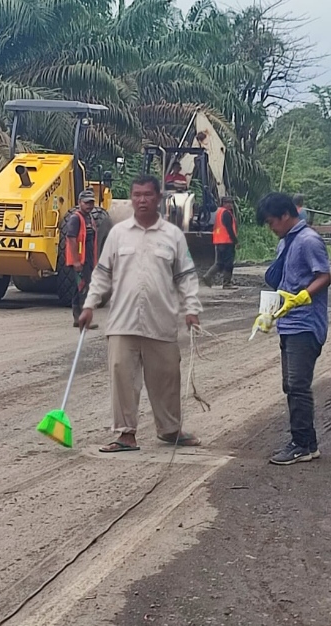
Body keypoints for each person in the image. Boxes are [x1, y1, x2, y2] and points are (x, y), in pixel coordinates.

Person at [78, 175, 202, 453]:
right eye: (137, 195)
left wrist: (192, 309)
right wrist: (89, 306)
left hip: (161, 321)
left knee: (167, 378)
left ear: (158, 198)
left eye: (147, 195)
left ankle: (170, 430)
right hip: (122, 321)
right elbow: (102, 273)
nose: (142, 200)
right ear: (131, 198)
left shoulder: (173, 236)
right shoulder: (118, 234)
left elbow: (186, 276)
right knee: (122, 377)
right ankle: (125, 435)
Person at [256, 192, 331, 465]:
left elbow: (324, 276)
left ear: (286, 215)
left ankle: (300, 444)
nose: (271, 228)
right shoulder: (286, 242)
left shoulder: (308, 240)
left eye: (271, 222)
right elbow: (284, 283)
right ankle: (308, 443)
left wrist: (303, 297)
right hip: (288, 323)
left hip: (306, 323)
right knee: (290, 385)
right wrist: (268, 313)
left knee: (298, 385)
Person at [66, 189, 99, 328]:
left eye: (91, 203)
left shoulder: (89, 218)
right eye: (86, 203)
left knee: (79, 288)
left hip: (88, 259)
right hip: (80, 260)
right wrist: (76, 261)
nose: (89, 206)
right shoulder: (76, 218)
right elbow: (71, 239)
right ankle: (84, 320)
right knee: (83, 289)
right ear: (79, 202)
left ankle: (77, 318)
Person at [203, 197, 239, 289]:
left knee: (219, 263)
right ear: (224, 203)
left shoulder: (218, 212)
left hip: (219, 241)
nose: (230, 205)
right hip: (227, 242)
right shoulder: (226, 213)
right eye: (228, 203)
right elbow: (229, 229)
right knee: (228, 263)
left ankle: (207, 276)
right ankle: (227, 283)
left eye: (231, 203)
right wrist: (235, 241)